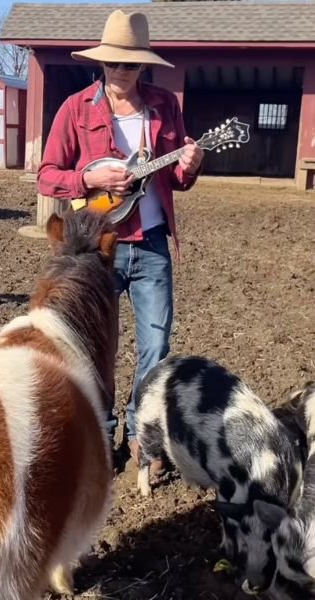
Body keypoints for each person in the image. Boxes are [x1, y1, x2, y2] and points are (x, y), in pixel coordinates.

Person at [37, 9, 205, 470]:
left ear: (143, 65)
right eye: (113, 63)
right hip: (97, 248)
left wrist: (188, 166)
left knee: (156, 344)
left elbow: (175, 175)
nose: (121, 72)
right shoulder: (75, 108)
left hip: (151, 243)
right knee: (94, 345)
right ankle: (100, 431)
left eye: (130, 64)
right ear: (102, 63)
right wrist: (89, 175)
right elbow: (47, 176)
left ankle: (140, 434)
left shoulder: (164, 106)